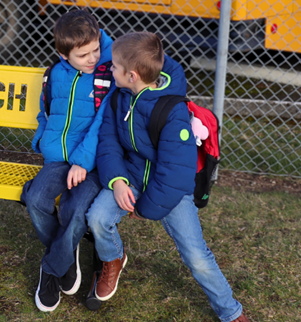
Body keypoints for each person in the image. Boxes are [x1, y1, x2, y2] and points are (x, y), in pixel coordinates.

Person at [86, 32, 250, 322]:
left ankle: (231, 312)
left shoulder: (172, 110)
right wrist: (118, 181)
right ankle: (113, 258)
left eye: (115, 66)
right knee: (98, 218)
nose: (110, 69)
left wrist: (145, 208)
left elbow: (175, 172)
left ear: (132, 76)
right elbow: (108, 143)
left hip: (171, 192)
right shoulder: (120, 98)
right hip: (131, 176)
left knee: (197, 257)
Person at [20, 9, 113, 312]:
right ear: (63, 55)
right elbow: (46, 111)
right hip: (57, 158)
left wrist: (83, 162)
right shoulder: (54, 74)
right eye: (83, 55)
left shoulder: (107, 74)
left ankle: (50, 268)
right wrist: (42, 140)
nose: (92, 58)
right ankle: (66, 253)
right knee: (35, 199)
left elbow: (102, 124)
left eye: (95, 50)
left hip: (92, 163)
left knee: (74, 210)